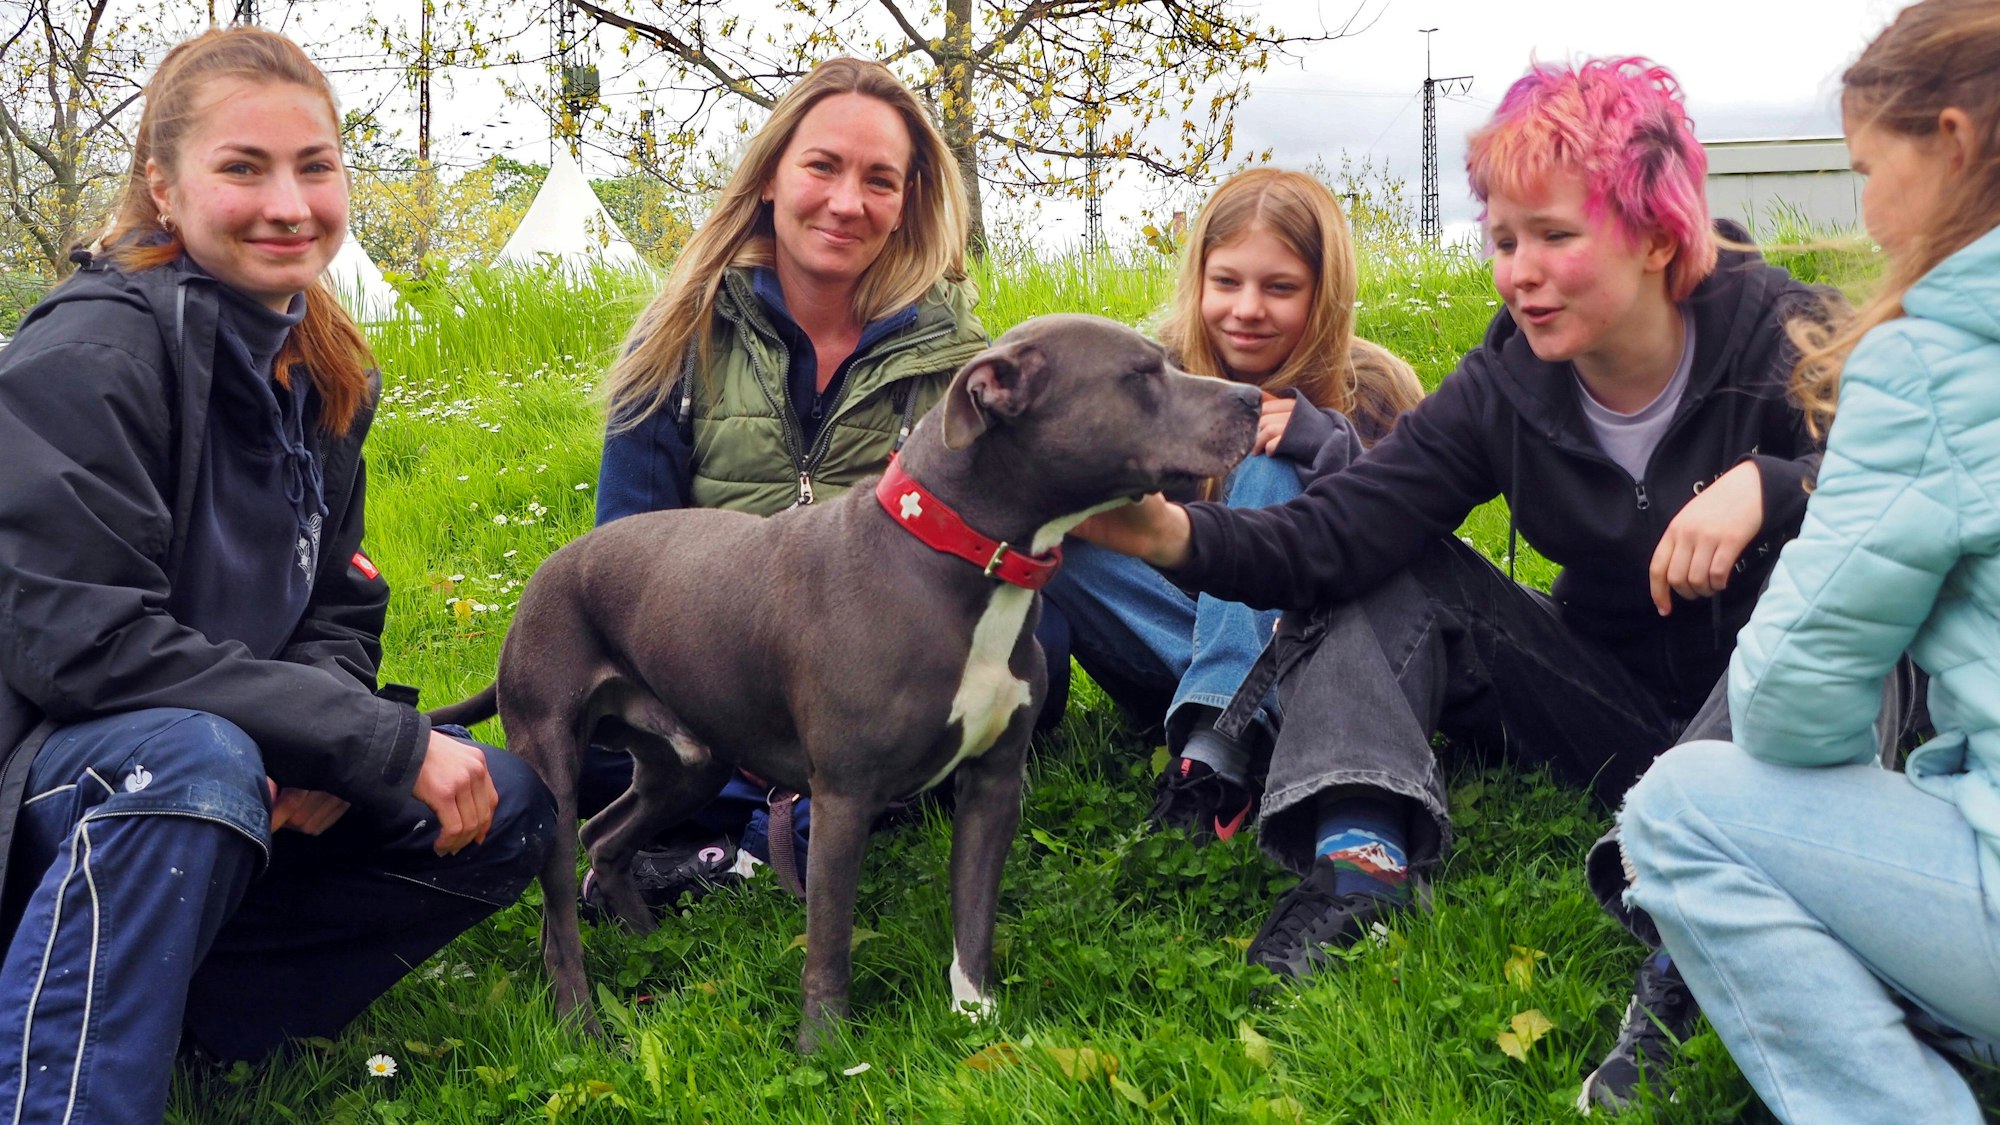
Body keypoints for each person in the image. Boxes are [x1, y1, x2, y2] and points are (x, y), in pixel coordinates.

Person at [1073, 57, 1823, 1111]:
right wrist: (1163, 536)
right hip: (1597, 700)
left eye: (1557, 236)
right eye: (1504, 238)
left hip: (1775, 723)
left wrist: (1774, 485)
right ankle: (1360, 861)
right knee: (1395, 556)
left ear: (1657, 236)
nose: (1519, 270)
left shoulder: (1784, 336)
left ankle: (1690, 931)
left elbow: (1943, 471)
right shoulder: (1502, 385)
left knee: (1838, 574)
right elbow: (1330, 536)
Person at [0, 27, 556, 1124]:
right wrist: (360, 739)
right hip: (54, 783)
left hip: (215, 770)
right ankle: (65, 1088)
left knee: (506, 802)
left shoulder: (320, 365)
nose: (289, 203)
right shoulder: (86, 359)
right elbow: (85, 646)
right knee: (188, 763)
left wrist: (329, 739)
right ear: (163, 188)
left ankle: (182, 1020)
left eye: (315, 165)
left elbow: (341, 604)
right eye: (242, 168)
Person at [1619, 3, 2000, 1119]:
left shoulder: (1932, 364)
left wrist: (1851, 815)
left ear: (1951, 146)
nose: (1866, 209)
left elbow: (1787, 696)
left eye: (1866, 168)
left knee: (1680, 807)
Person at [581, 57, 1066, 903]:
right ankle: (775, 804)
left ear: (908, 201)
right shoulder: (674, 343)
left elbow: (984, 568)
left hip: (877, 671)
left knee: (1039, 655)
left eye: (880, 180)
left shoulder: (953, 363)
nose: (847, 202)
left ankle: (778, 811)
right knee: (579, 728)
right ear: (772, 176)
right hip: (715, 659)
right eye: (822, 167)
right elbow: (624, 561)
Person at [1045, 167, 1423, 841]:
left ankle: (1215, 750)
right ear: (1200, 282)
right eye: (1227, 282)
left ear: (1324, 293)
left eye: (1279, 287)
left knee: (1267, 464)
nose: (1247, 308)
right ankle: (1223, 723)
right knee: (1066, 538)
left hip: (1316, 659)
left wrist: (1322, 441)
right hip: (1177, 645)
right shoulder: (1154, 379)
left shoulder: (1375, 388)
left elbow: (1408, 549)